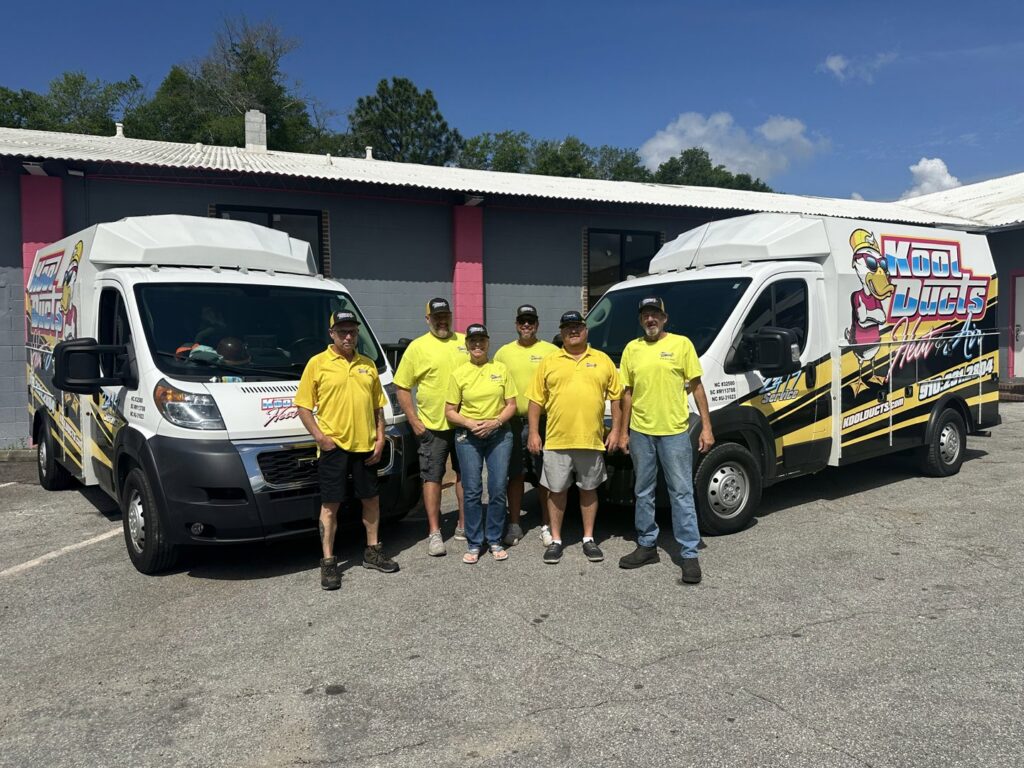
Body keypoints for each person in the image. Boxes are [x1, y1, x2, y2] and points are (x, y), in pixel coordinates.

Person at [295, 310, 399, 591]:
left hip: (366, 446)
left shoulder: (368, 365)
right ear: (332, 334)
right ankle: (329, 562)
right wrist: (321, 438)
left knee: (371, 499)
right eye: (342, 331)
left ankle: (372, 551)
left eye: (352, 331)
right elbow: (303, 407)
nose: (348, 336)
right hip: (335, 448)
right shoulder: (317, 364)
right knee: (330, 506)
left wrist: (380, 439)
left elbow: (378, 407)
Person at [616, 297, 714, 585]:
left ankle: (689, 553)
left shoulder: (681, 345)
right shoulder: (632, 349)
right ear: (640, 320)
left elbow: (697, 386)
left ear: (664, 318)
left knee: (681, 492)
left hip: (674, 432)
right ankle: (647, 545)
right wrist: (623, 432)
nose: (650, 319)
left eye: (655, 314)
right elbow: (627, 393)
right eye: (646, 315)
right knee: (643, 490)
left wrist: (707, 427)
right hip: (641, 432)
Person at [527, 311, 622, 564]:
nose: (573, 331)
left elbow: (617, 398)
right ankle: (556, 540)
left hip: (591, 440)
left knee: (589, 490)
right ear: (561, 332)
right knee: (556, 491)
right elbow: (535, 400)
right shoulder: (549, 361)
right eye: (567, 327)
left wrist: (615, 430)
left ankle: (588, 538)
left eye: (577, 326)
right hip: (557, 440)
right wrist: (534, 432)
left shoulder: (602, 360)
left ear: (586, 330)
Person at [394, 298, 470, 557]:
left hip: (464, 424)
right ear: (428, 319)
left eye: (445, 315)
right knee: (432, 478)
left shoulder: (464, 342)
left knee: (465, 475)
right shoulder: (417, 347)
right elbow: (402, 386)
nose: (442, 321)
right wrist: (414, 421)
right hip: (432, 428)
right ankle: (435, 532)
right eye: (436, 317)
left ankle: (463, 525)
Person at [445, 324, 518, 563]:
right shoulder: (458, 373)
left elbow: (511, 405)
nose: (477, 345)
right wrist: (469, 423)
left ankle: (494, 538)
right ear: (467, 345)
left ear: (488, 343)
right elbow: (450, 411)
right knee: (472, 489)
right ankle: (474, 542)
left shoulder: (501, 369)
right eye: (473, 341)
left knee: (497, 487)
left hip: (499, 434)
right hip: (469, 436)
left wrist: (495, 422)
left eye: (482, 341)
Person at [494, 304, 558, 547]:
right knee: (515, 474)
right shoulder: (503, 353)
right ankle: (514, 523)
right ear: (516, 324)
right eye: (523, 321)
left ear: (537, 324)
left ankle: (547, 524)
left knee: (545, 474)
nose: (527, 325)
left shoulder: (551, 351)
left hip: (543, 422)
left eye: (531, 321)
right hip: (512, 422)